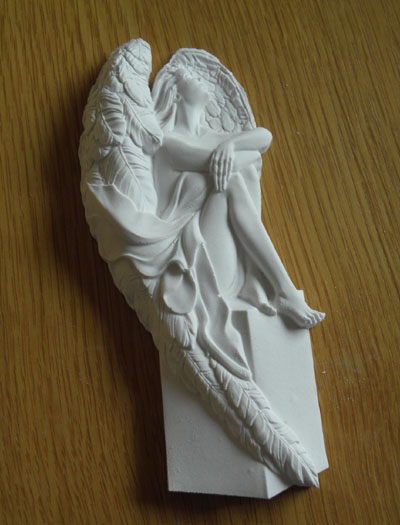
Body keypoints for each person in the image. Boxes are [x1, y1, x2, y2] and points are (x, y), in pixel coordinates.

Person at [152, 69, 325, 328]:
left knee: (240, 174)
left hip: (225, 258)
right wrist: (244, 153)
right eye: (192, 78)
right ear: (176, 93)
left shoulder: (211, 138)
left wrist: (230, 145)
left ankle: (258, 281)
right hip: (194, 266)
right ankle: (283, 290)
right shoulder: (168, 144)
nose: (201, 79)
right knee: (231, 180)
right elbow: (246, 158)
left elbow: (264, 137)